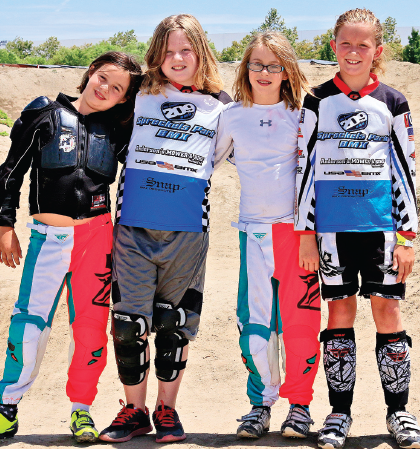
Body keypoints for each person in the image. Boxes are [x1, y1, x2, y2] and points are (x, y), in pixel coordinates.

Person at [98, 14, 231, 444]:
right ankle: (133, 410)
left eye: (186, 50)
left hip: (188, 232)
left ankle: (167, 409)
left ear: (201, 53)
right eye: (168, 50)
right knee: (128, 324)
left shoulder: (221, 105)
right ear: (157, 54)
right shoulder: (138, 95)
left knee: (175, 325)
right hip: (133, 229)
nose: (176, 58)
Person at [0, 51, 142, 443]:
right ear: (90, 72)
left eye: (117, 89)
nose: (105, 89)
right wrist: (4, 224)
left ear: (122, 99)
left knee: (92, 330)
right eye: (103, 78)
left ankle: (82, 410)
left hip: (97, 240)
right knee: (29, 323)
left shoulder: (117, 129)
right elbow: (11, 171)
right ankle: (6, 406)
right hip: (47, 239)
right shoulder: (44, 112)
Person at [295, 8, 419, 449]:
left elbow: (406, 172)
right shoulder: (316, 100)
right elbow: (304, 170)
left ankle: (399, 412)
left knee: (388, 313)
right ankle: (338, 413)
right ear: (334, 47)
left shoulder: (393, 102)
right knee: (339, 313)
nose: (353, 51)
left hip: (382, 230)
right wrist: (305, 232)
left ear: (377, 51)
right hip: (330, 231)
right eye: (345, 43)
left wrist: (407, 237)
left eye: (362, 44)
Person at [215, 31, 321, 440]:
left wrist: (312, 230)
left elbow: (317, 176)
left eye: (273, 65)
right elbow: (206, 163)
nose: (264, 72)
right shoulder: (231, 116)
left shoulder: (305, 115)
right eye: (256, 64)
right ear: (245, 68)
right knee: (255, 322)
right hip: (253, 234)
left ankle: (300, 406)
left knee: (299, 323)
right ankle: (260, 404)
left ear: (286, 71)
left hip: (296, 235)